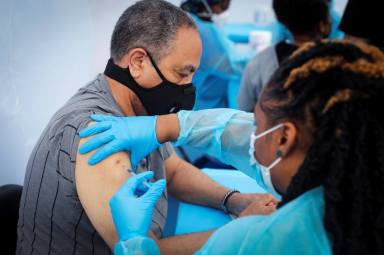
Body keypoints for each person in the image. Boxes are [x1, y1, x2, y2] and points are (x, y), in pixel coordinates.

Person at [16, 1, 276, 254]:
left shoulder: (138, 109)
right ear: (139, 62)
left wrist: (233, 200)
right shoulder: (97, 134)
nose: (189, 86)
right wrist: (242, 230)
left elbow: (171, 170)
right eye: (182, 74)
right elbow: (144, 249)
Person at [81, 40, 384, 254]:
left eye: (258, 123)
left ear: (284, 139)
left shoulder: (265, 241)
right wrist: (167, 127)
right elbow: (229, 131)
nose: (249, 131)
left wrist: (134, 242)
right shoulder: (358, 187)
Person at [237, 0, 331, 112]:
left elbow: (245, 107)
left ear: (279, 17)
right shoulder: (341, 62)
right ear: (323, 24)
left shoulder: (260, 62)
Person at [180, 0, 244, 110]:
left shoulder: (193, 21)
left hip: (202, 95)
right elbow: (232, 67)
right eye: (223, 3)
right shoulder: (205, 33)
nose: (227, 5)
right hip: (202, 107)